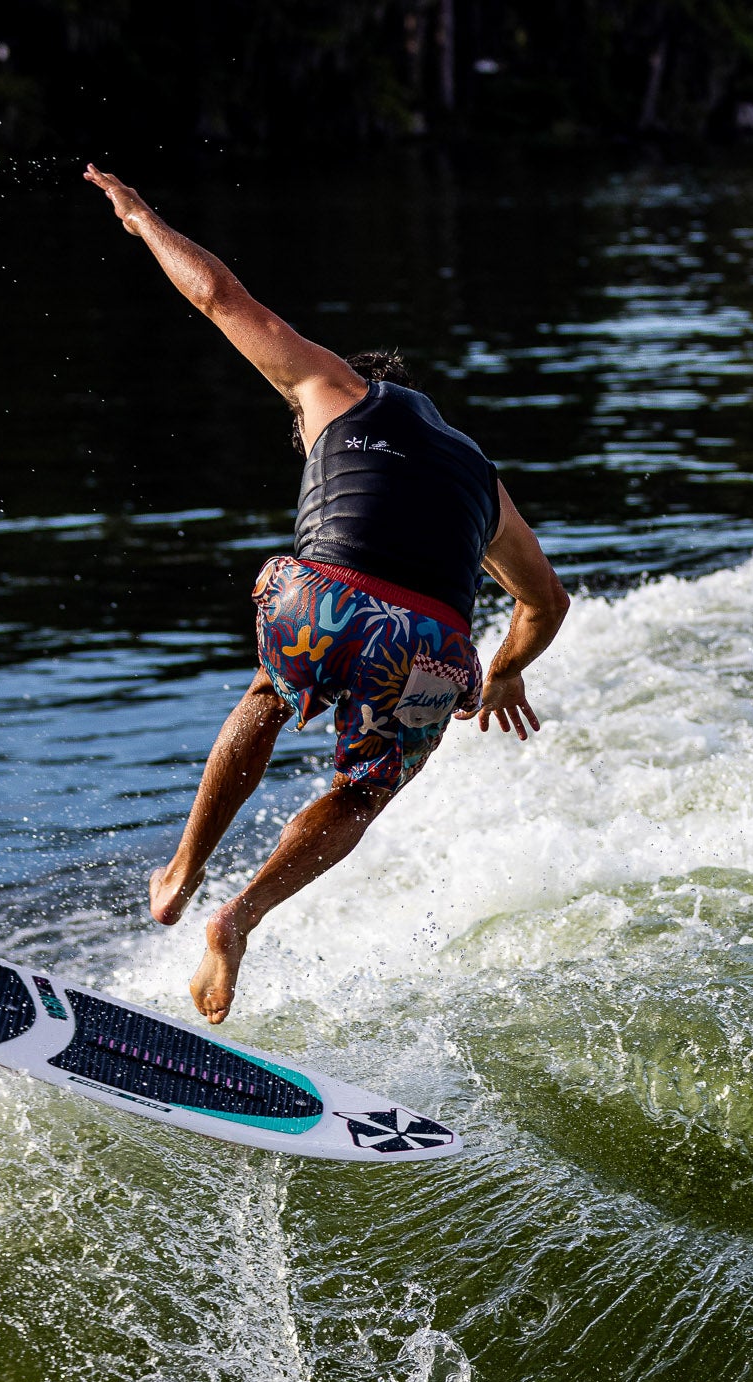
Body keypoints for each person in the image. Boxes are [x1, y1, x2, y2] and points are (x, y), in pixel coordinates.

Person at [83, 165, 571, 1024]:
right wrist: (503, 673)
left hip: (323, 605)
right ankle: (240, 917)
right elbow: (547, 603)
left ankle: (185, 871)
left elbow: (222, 297)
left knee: (273, 690)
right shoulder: (484, 485)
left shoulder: (328, 386)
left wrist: (143, 219)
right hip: (432, 648)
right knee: (362, 791)